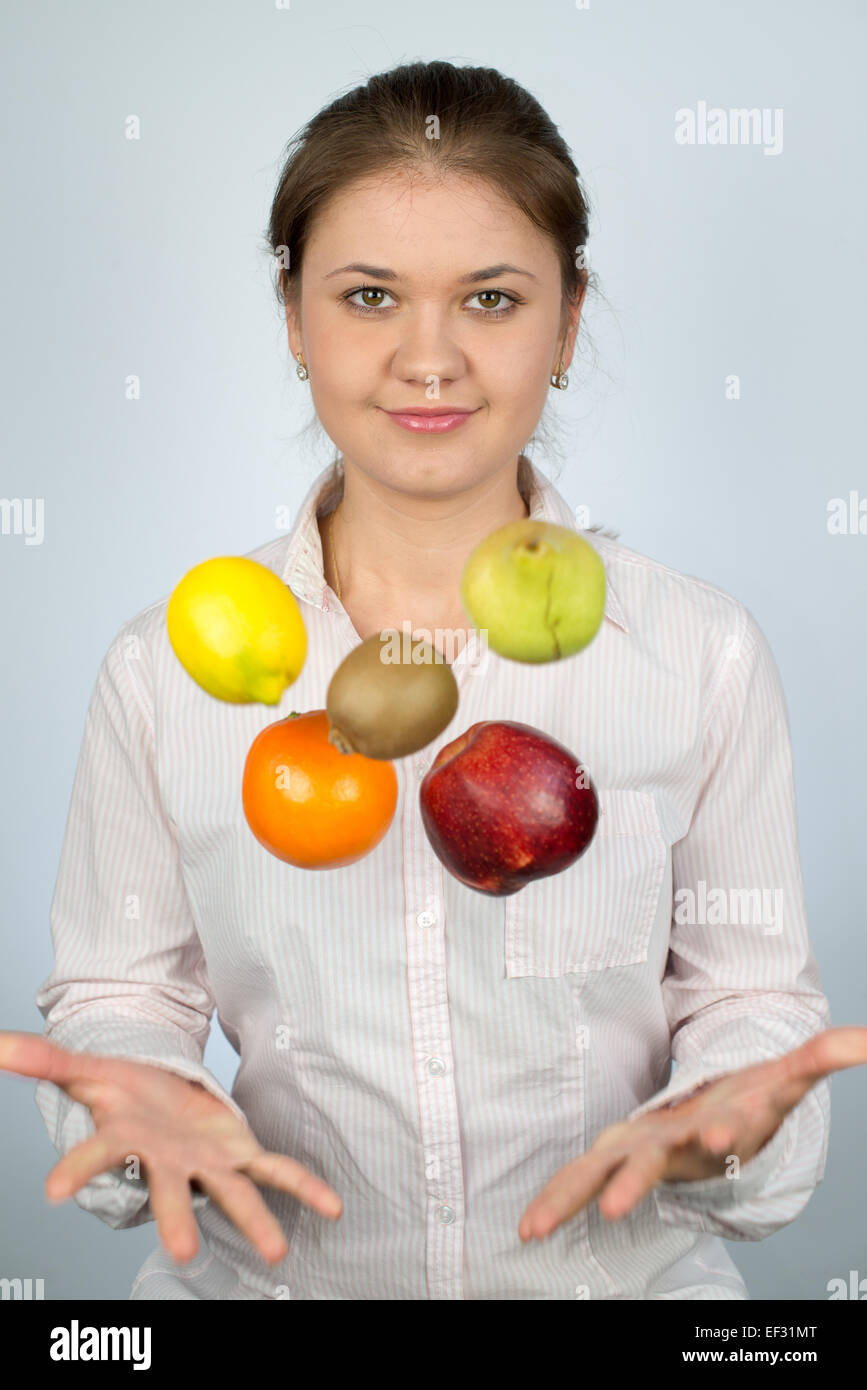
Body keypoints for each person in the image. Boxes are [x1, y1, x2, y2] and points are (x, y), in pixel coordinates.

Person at [2, 59, 866, 1301]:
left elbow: (748, 996)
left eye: (492, 300)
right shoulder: (162, 672)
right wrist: (145, 1080)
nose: (429, 359)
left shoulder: (698, 652)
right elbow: (120, 987)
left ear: (567, 323)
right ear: (294, 317)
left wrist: (731, 1106)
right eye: (368, 295)